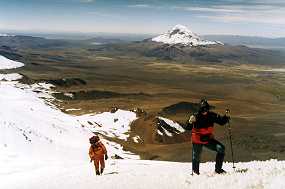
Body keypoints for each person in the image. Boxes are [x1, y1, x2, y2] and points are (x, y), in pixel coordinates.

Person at [185, 99, 230, 175]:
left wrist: (226, 117)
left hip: (208, 139)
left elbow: (221, 122)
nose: (205, 111)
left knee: (221, 149)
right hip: (197, 140)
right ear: (200, 109)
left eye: (206, 109)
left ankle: (218, 170)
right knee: (196, 157)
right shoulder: (195, 116)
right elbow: (188, 128)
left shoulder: (211, 115)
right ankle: (196, 173)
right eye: (203, 109)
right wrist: (190, 121)